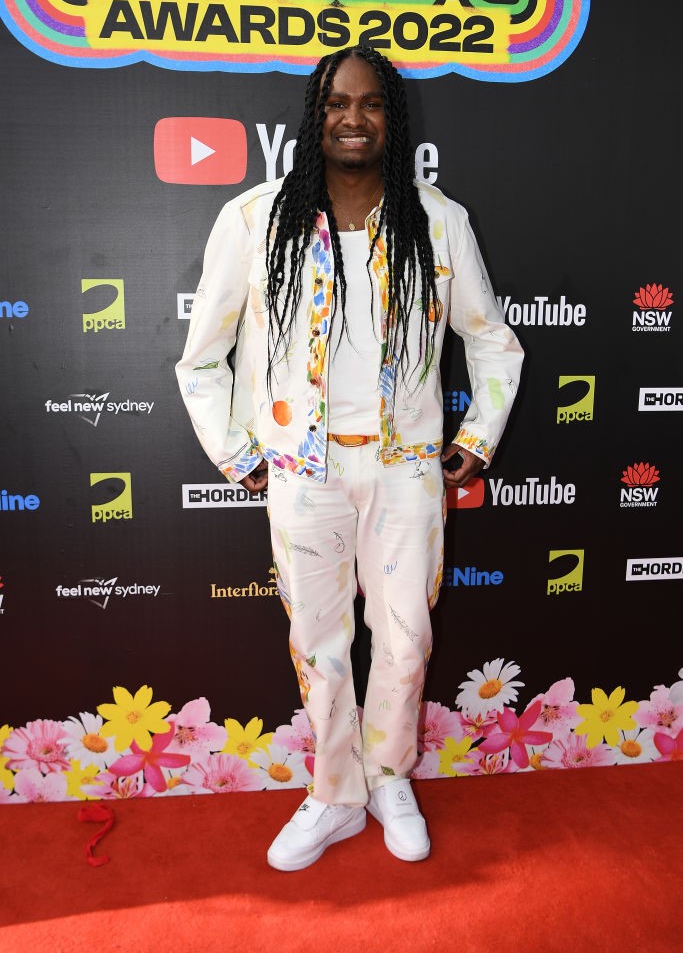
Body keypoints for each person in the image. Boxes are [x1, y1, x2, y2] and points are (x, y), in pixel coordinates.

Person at [176, 45, 523, 871]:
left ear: (391, 119)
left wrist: (473, 439)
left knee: (405, 642)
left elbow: (491, 342)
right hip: (303, 475)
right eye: (337, 103)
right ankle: (334, 795)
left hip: (405, 472)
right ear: (315, 115)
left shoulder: (437, 220)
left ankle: (388, 775)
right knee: (320, 646)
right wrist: (240, 453)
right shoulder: (255, 219)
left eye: (370, 104)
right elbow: (201, 358)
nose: (353, 117)